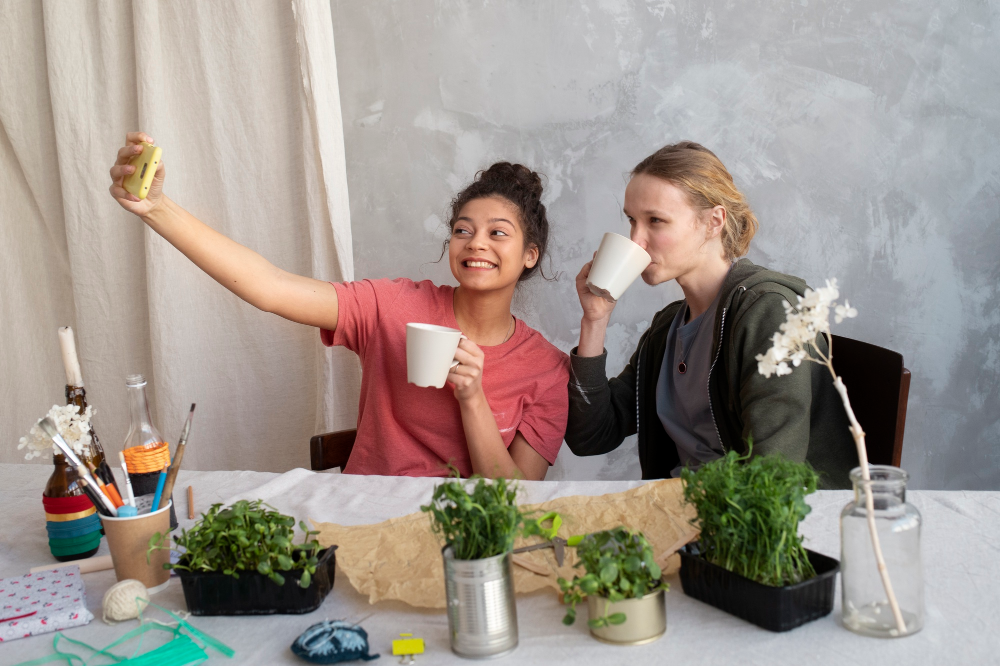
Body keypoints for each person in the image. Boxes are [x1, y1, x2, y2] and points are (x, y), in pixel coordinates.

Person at [108, 132, 569, 480]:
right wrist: (158, 208)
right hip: (366, 523)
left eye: (498, 233)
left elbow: (518, 501)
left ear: (530, 254)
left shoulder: (547, 370)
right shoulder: (394, 305)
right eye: (463, 230)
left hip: (470, 542)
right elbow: (270, 288)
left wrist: (472, 398)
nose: (476, 244)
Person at [565, 141, 854, 488]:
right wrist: (594, 321)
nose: (636, 240)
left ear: (713, 222)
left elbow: (773, 479)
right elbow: (591, 436)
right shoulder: (668, 328)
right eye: (632, 220)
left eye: (655, 220)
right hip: (684, 511)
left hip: (757, 523)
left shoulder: (769, 312)